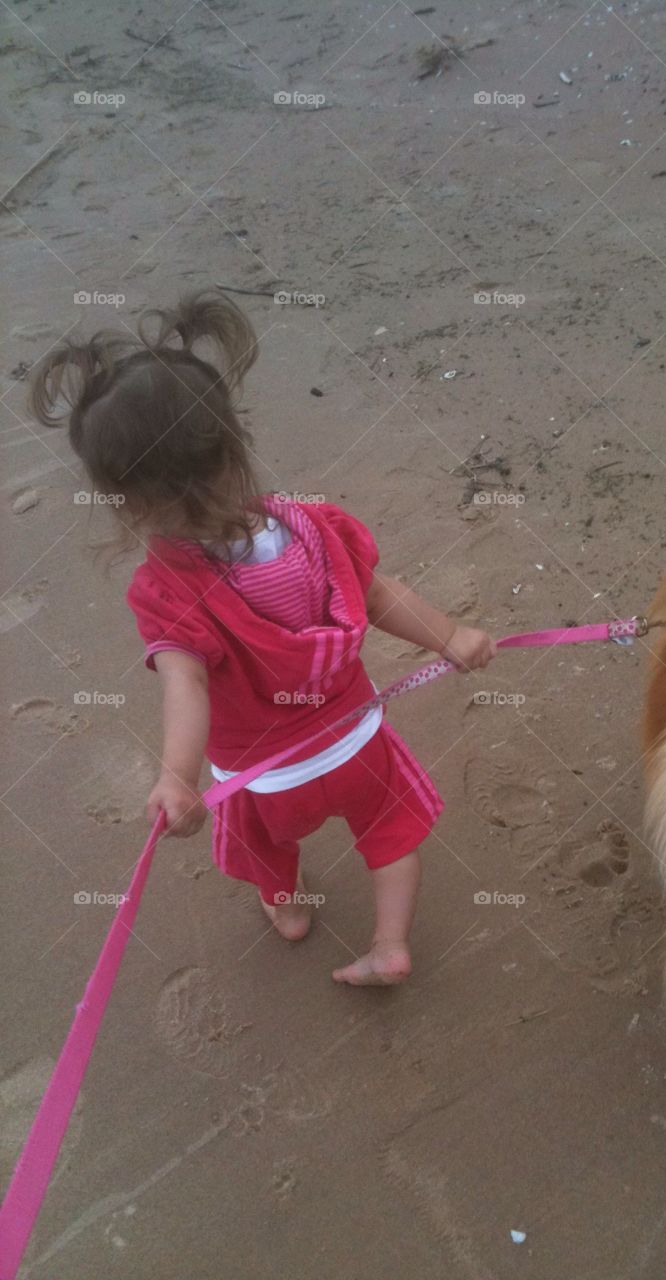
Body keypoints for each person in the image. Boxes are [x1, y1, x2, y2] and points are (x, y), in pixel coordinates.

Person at [29, 290, 496, 985]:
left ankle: (291, 910)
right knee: (389, 833)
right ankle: (391, 943)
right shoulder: (314, 529)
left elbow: (185, 685)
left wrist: (177, 778)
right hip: (356, 741)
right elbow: (376, 595)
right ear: (233, 441)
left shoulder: (165, 590)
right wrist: (449, 634)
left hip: (266, 775)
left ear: (127, 501)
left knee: (266, 852)